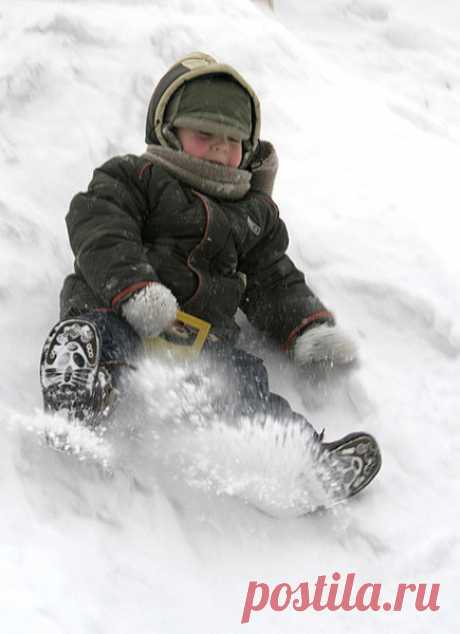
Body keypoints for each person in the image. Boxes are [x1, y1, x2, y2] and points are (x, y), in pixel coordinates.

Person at [40, 52, 381, 499]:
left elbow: (274, 278)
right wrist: (135, 288)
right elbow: (101, 226)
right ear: (169, 131)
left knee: (244, 386)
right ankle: (79, 386)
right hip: (120, 309)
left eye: (233, 139)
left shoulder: (253, 215)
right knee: (101, 335)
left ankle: (300, 465)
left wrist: (307, 327)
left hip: (199, 344)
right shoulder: (138, 177)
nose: (221, 148)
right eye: (205, 134)